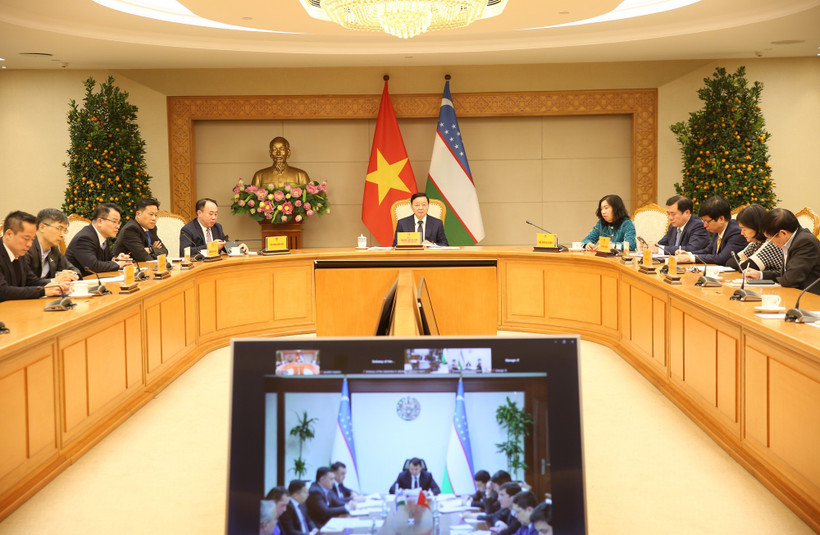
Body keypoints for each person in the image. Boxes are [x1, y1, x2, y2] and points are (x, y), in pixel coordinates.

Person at [744, 208, 820, 294]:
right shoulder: (792, 240)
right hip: (795, 293)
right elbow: (785, 275)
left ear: (783, 233)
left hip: (811, 298)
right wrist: (760, 275)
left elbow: (790, 279)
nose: (771, 242)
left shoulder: (805, 242)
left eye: (770, 238)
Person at [1, 211, 71, 302]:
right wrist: (42, 291)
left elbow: (32, 281)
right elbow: (2, 291)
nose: (30, 244)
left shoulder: (18, 252)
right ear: (9, 234)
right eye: (26, 239)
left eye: (32, 239)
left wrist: (55, 285)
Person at [675, 195, 746, 265]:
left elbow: (722, 258)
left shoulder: (736, 232)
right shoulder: (717, 230)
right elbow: (708, 250)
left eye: (707, 221)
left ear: (721, 219)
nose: (704, 225)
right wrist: (688, 254)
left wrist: (691, 258)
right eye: (703, 221)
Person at [65, 203, 132, 275]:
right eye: (114, 222)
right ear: (100, 221)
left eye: (119, 223)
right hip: (80, 282)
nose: (117, 226)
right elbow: (93, 266)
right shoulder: (84, 238)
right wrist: (118, 264)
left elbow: (109, 258)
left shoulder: (103, 236)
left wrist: (118, 259)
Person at [23, 208, 80, 281]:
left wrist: (70, 275)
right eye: (59, 228)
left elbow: (74, 270)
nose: (62, 235)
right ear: (42, 227)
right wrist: (54, 280)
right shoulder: (27, 248)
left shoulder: (53, 249)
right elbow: (25, 282)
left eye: (64, 230)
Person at [179, 197, 247, 256]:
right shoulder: (188, 230)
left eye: (216, 214)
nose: (214, 217)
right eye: (210, 214)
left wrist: (239, 248)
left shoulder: (217, 227)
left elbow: (225, 245)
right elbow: (184, 252)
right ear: (199, 213)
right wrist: (211, 247)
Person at [113, 197, 168, 262]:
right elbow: (143, 257)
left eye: (156, 215)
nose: (154, 218)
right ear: (138, 214)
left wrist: (150, 250)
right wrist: (153, 249)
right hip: (127, 269)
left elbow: (164, 252)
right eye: (151, 214)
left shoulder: (151, 228)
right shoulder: (130, 229)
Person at [731, 204, 783, 273]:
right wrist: (743, 263)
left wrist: (742, 262)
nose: (742, 233)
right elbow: (730, 263)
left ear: (756, 227)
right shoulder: (756, 242)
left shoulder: (771, 242)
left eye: (744, 229)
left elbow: (743, 268)